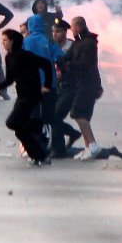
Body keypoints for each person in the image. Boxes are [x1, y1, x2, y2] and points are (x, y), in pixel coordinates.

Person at [0, 29, 53, 166]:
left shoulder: (26, 55)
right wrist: (0, 86)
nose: (2, 43)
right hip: (21, 95)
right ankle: (40, 156)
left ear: (12, 41)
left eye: (5, 40)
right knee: (20, 131)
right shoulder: (9, 57)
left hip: (32, 95)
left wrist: (47, 85)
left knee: (12, 122)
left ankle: (40, 126)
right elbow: (10, 79)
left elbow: (46, 64)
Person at [63, 17, 104, 160]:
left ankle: (93, 145)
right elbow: (66, 56)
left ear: (78, 27)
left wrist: (68, 66)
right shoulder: (78, 42)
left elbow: (86, 65)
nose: (71, 30)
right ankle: (88, 147)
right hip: (82, 83)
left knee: (78, 113)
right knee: (81, 115)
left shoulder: (89, 43)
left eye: (73, 27)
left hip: (87, 84)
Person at [49, 18, 81, 158]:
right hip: (55, 87)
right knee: (52, 116)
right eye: (53, 31)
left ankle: (62, 145)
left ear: (65, 31)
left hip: (70, 87)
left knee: (55, 115)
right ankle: (59, 147)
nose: (55, 34)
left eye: (58, 31)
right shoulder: (51, 46)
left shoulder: (73, 46)